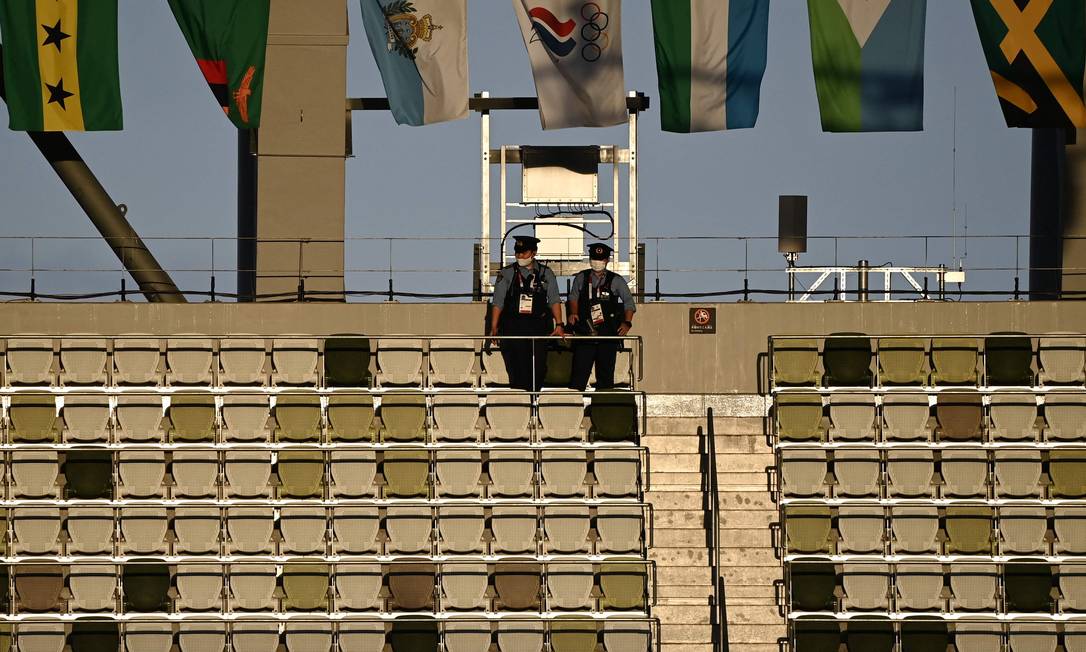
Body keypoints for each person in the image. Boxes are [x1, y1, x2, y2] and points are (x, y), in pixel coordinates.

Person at [489, 235, 565, 391]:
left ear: (533, 253)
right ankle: (521, 404)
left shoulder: (545, 273)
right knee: (517, 369)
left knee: (539, 368)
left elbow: (554, 300)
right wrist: (494, 327)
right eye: (517, 252)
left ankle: (534, 399)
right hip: (514, 328)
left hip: (538, 328)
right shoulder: (507, 273)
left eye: (523, 252)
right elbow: (498, 302)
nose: (519, 256)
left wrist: (559, 324)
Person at [568, 243, 635, 390]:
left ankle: (603, 407)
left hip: (607, 335)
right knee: (579, 374)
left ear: (606, 261)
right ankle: (573, 406)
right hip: (585, 333)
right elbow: (573, 297)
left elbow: (629, 303)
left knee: (605, 376)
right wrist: (573, 312)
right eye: (594, 258)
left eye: (601, 259)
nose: (597, 262)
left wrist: (627, 323)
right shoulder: (581, 277)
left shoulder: (616, 280)